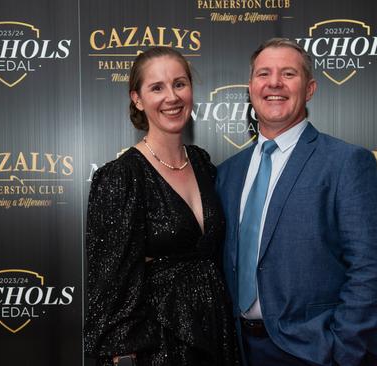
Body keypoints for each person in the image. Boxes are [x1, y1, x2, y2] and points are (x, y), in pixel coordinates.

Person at [216, 38, 377, 366]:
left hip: (314, 351)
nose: (274, 83)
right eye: (263, 74)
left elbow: (372, 269)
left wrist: (341, 350)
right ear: (251, 88)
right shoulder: (228, 173)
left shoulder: (346, 162)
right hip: (239, 350)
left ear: (310, 89)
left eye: (288, 74)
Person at [85, 47, 239, 366]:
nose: (172, 97)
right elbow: (111, 281)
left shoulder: (203, 164)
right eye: (157, 87)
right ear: (138, 99)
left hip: (216, 332)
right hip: (159, 343)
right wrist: (123, 355)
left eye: (179, 83)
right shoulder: (121, 177)